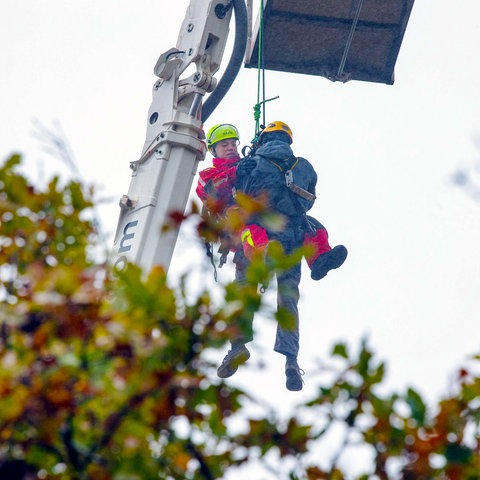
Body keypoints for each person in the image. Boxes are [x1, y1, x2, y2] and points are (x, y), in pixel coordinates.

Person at [197, 122, 347, 391]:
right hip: (243, 231)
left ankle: (290, 360)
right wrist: (238, 171)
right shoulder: (212, 171)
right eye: (224, 144)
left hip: (268, 228)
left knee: (310, 227)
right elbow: (211, 191)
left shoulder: (254, 163)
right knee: (255, 251)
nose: (231, 147)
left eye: (233, 143)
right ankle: (239, 347)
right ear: (214, 150)